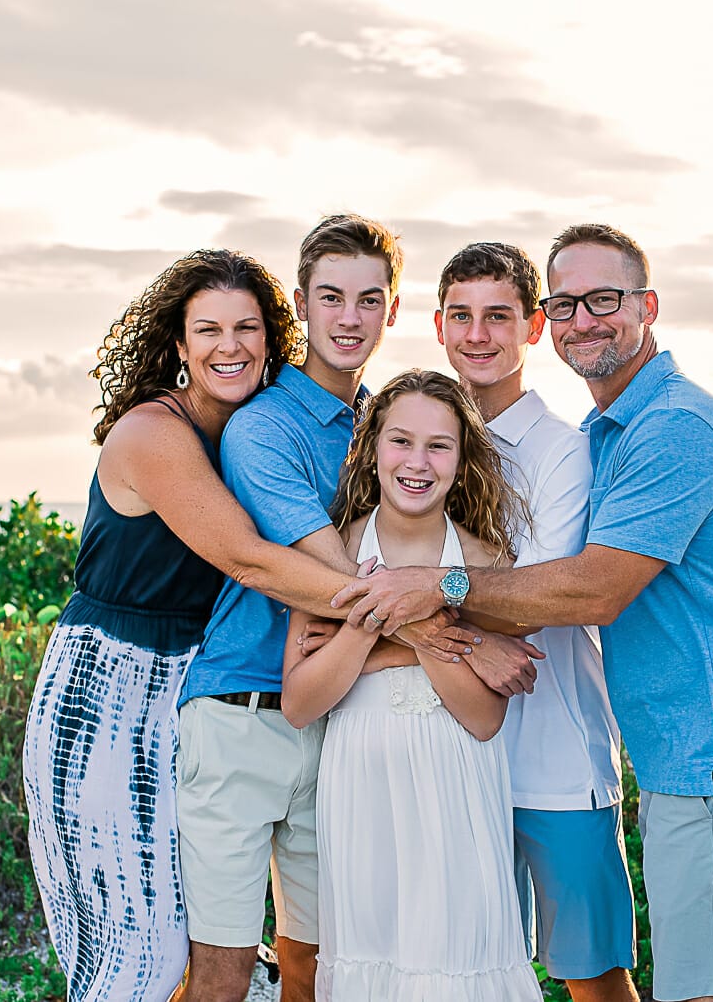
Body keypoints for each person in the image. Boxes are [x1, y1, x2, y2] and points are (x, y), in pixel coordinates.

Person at [337, 224, 713, 1002]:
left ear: (648, 306)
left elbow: (591, 589)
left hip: (707, 748)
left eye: (604, 300)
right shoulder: (609, 431)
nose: (584, 319)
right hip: (675, 749)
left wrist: (433, 588)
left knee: (701, 989)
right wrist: (449, 632)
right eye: (568, 303)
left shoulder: (666, 429)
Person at [21, 248, 435, 1002]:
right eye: (208, 330)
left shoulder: (260, 426)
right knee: (135, 957)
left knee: (187, 943)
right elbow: (251, 560)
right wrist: (418, 620)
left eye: (246, 327)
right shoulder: (153, 432)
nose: (230, 346)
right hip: (108, 687)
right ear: (179, 345)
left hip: (194, 680)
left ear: (273, 337)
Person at [280, 370, 543, 1001]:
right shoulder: (334, 553)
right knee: (372, 959)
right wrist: (385, 631)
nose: (417, 462)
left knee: (456, 958)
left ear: (462, 458)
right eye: (400, 441)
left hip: (456, 780)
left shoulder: (482, 561)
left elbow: (483, 718)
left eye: (438, 446)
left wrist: (402, 628)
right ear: (371, 448)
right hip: (360, 786)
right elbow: (300, 702)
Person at [434, 241, 639, 1002]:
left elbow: (542, 592)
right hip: (455, 756)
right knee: (475, 974)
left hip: (556, 762)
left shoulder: (563, 451)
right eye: (461, 316)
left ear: (532, 327)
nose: (478, 334)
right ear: (438, 326)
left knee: (594, 978)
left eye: (499, 315)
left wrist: (414, 595)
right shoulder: (419, 444)